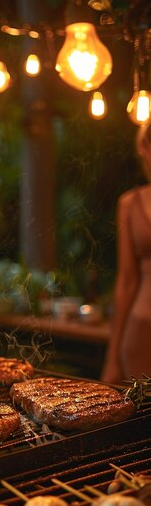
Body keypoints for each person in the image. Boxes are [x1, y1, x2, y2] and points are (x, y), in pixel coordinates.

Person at [102, 122, 151, 383]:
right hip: (141, 331)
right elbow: (127, 280)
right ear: (144, 149)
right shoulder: (130, 204)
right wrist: (112, 358)